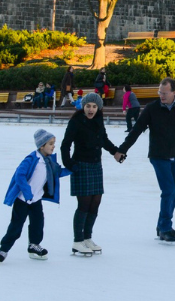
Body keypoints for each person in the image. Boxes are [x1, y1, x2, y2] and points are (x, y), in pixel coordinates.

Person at [116, 78, 175, 243]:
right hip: (158, 155)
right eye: (160, 92)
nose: (161, 95)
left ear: (174, 92)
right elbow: (137, 130)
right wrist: (122, 149)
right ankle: (164, 227)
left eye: (164, 93)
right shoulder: (151, 108)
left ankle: (162, 224)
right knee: (168, 190)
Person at [61, 92, 125, 256]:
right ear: (83, 107)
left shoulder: (98, 120)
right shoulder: (76, 121)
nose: (91, 109)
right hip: (80, 165)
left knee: (95, 202)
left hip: (96, 165)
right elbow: (65, 145)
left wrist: (115, 152)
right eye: (88, 106)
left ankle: (87, 237)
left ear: (99, 108)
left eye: (94, 106)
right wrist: (69, 164)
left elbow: (103, 140)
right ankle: (77, 240)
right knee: (84, 204)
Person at [0, 129, 70, 263]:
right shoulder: (31, 159)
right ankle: (4, 249)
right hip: (23, 201)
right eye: (51, 143)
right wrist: (27, 192)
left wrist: (72, 169)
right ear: (42, 146)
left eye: (54, 143)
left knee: (38, 224)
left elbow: (57, 172)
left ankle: (34, 245)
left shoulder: (49, 161)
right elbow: (20, 175)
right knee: (16, 227)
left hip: (36, 200)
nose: (53, 146)